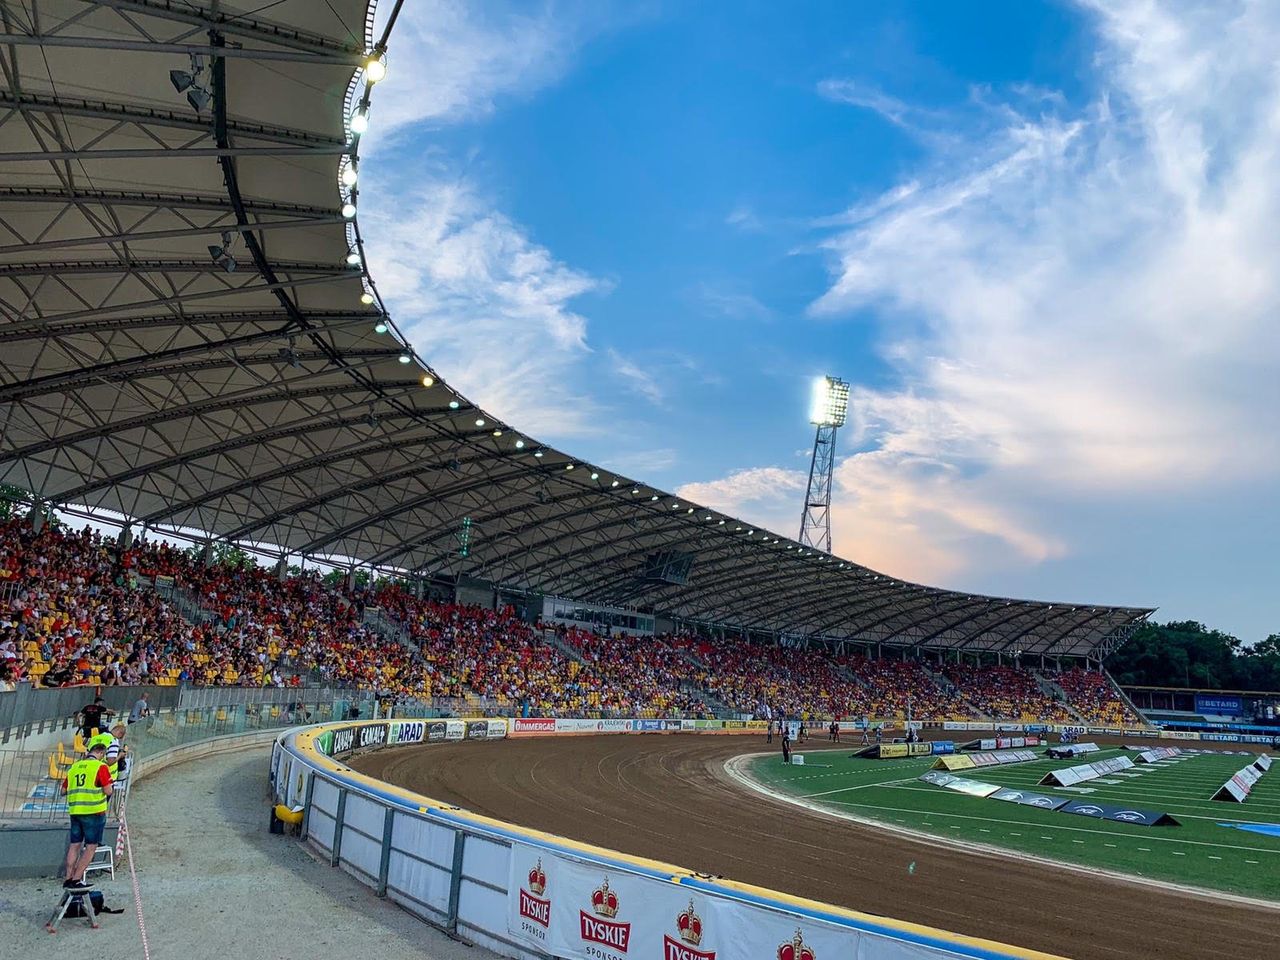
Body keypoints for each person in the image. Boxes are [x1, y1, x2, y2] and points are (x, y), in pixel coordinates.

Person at [62, 737, 114, 889]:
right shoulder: (100, 767)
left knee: (74, 845)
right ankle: (77, 879)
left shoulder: (74, 767)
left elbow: (63, 790)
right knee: (91, 847)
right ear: (100, 753)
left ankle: (68, 877)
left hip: (75, 812)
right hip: (94, 812)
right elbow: (108, 790)